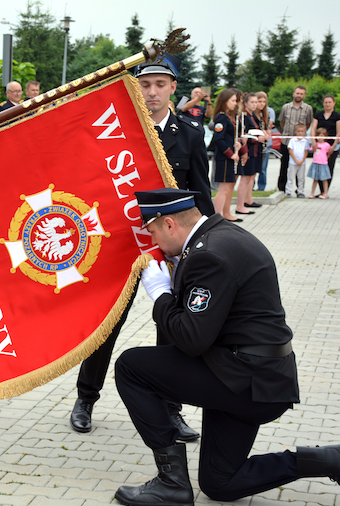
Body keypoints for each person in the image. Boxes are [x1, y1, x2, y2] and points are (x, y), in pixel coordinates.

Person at [112, 188, 340, 506]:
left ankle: (171, 482)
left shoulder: (208, 255)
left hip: (245, 379)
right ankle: (336, 459)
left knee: (131, 367)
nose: (153, 242)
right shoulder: (221, 236)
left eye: (152, 232)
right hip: (255, 375)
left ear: (169, 224)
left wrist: (161, 295)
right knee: (220, 482)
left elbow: (191, 339)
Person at [68, 55, 207, 441]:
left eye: (160, 84)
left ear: (173, 88)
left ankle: (171, 410)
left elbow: (202, 195)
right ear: (136, 87)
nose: (152, 92)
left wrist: (207, 243)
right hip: (122, 247)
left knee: (173, 330)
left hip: (172, 249)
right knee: (108, 325)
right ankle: (85, 399)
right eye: (145, 84)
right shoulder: (116, 130)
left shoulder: (191, 133)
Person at [211, 88, 243, 222]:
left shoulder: (231, 117)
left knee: (230, 186)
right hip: (224, 158)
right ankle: (216, 217)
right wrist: (230, 154)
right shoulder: (221, 117)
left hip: (230, 157)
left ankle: (226, 213)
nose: (235, 103)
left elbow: (232, 136)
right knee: (223, 189)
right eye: (233, 101)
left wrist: (239, 144)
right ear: (225, 101)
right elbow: (218, 139)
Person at [277, 86, 313, 193]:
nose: (299, 95)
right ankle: (282, 188)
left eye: (301, 94)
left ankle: (299, 189)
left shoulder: (308, 108)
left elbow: (308, 123)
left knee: (299, 166)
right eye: (297, 93)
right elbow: (282, 122)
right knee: (284, 164)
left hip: (300, 143)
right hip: (287, 141)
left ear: (304, 95)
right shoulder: (286, 107)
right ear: (294, 94)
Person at [235, 93, 266, 215]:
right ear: (246, 103)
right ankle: (240, 206)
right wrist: (257, 139)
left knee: (250, 178)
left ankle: (246, 201)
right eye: (252, 102)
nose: (255, 104)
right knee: (245, 178)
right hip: (248, 150)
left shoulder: (253, 116)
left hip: (255, 151)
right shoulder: (244, 117)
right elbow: (243, 136)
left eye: (256, 102)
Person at [310, 94, 340, 192]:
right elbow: (313, 129)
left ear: (333, 103)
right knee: (319, 166)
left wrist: (334, 145)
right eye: (326, 102)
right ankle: (320, 190)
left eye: (329, 102)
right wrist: (313, 141)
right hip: (319, 146)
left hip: (330, 146)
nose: (327, 104)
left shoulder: (337, 116)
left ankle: (325, 191)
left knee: (329, 167)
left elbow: (339, 132)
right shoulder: (318, 115)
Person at [255, 91, 274, 191]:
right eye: (259, 101)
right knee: (253, 168)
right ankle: (251, 187)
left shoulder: (267, 114)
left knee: (263, 168)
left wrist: (267, 134)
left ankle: (261, 187)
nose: (261, 104)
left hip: (264, 144)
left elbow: (268, 128)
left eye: (263, 102)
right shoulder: (251, 115)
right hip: (254, 143)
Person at [308, 128, 332, 199]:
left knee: (324, 179)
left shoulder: (327, 145)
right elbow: (312, 150)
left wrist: (325, 159)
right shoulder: (315, 144)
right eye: (319, 135)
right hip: (315, 163)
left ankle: (325, 193)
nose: (320, 137)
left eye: (322, 135)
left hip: (323, 164)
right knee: (315, 179)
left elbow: (329, 153)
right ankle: (312, 193)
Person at [286, 124, 309, 198]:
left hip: (302, 163)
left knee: (301, 178)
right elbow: (290, 150)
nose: (300, 133)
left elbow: (306, 152)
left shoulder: (305, 141)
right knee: (291, 177)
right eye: (298, 131)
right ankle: (288, 191)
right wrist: (296, 160)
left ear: (304, 132)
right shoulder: (292, 140)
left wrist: (302, 160)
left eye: (302, 131)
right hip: (293, 162)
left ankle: (300, 191)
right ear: (295, 131)